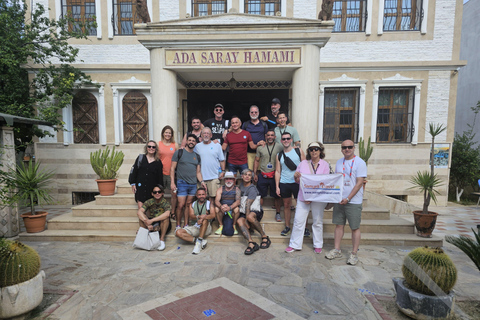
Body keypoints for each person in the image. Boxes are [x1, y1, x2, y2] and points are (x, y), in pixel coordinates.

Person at [325, 139, 367, 265]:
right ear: (341, 149)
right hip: (339, 200)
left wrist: (348, 198)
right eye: (344, 147)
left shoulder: (360, 163)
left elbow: (360, 183)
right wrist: (333, 198)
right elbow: (337, 181)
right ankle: (337, 249)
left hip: (353, 201)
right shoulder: (339, 162)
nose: (347, 149)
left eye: (349, 147)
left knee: (355, 227)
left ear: (354, 148)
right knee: (338, 225)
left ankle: (354, 253)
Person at [286, 142, 330, 253]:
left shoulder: (325, 164)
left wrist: (313, 195)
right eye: (311, 149)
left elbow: (325, 181)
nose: (314, 151)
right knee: (298, 220)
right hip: (303, 197)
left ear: (320, 151)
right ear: (308, 151)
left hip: (318, 198)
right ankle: (294, 244)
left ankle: (318, 244)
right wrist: (296, 176)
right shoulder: (303, 164)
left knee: (317, 221)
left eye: (316, 149)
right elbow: (297, 180)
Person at [170, 134, 207, 232]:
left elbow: (198, 172)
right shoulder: (179, 153)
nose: (191, 142)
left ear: (195, 143)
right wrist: (172, 182)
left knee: (188, 204)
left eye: (193, 141)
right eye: (189, 140)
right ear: (186, 141)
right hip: (181, 182)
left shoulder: (197, 156)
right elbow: (172, 168)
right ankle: (178, 225)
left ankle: (186, 224)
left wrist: (202, 182)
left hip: (193, 184)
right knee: (181, 204)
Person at [275, 132, 305, 236]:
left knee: (300, 205)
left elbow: (305, 166)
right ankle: (287, 226)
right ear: (281, 141)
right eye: (284, 139)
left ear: (291, 140)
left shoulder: (298, 151)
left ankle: (303, 227)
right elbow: (278, 171)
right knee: (286, 205)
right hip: (284, 182)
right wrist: (277, 186)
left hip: (297, 182)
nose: (286, 140)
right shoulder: (279, 155)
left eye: (288, 138)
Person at [236, 169, 271, 255]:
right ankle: (251, 242)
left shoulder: (252, 188)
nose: (247, 176)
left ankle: (264, 236)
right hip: (244, 210)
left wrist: (247, 221)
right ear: (242, 176)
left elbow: (248, 204)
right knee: (239, 221)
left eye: (249, 175)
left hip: (254, 210)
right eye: (245, 174)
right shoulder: (240, 186)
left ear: (251, 177)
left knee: (249, 217)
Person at [253, 130, 283, 221]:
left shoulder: (280, 147)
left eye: (272, 135)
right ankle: (259, 212)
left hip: (275, 174)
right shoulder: (260, 147)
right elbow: (257, 160)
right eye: (268, 135)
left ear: (275, 137)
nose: (270, 137)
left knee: (277, 195)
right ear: (265, 136)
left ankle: (278, 213)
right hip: (263, 174)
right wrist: (254, 173)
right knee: (260, 195)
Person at [175, 187, 215, 254]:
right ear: (196, 195)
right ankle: (198, 241)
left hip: (206, 227)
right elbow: (191, 216)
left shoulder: (209, 203)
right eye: (199, 195)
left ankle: (198, 244)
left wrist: (203, 218)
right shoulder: (192, 204)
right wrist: (198, 217)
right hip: (195, 226)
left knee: (205, 221)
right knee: (178, 232)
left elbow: (213, 215)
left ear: (205, 195)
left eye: (203, 194)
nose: (201, 196)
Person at [129, 140, 163, 209]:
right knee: (141, 210)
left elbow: (160, 177)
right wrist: (133, 183)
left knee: (150, 211)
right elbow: (134, 171)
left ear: (156, 149)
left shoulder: (158, 162)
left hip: (151, 189)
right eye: (149, 146)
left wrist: (160, 190)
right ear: (146, 148)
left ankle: (148, 220)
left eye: (153, 147)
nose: (151, 148)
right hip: (140, 187)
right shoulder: (140, 158)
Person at [194, 127, 225, 202]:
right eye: (204, 133)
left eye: (208, 133)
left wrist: (223, 171)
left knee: (213, 199)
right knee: (202, 199)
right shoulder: (197, 147)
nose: (206, 135)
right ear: (201, 135)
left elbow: (222, 160)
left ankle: (213, 213)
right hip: (202, 178)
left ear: (211, 135)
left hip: (214, 177)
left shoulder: (217, 146)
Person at [136, 185, 171, 251]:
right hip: (151, 222)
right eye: (155, 192)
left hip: (161, 223)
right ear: (152, 194)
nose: (157, 193)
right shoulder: (149, 201)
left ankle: (162, 240)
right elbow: (139, 212)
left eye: (159, 192)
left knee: (166, 218)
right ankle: (145, 234)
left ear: (162, 193)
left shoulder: (165, 202)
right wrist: (147, 223)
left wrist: (152, 220)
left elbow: (167, 214)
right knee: (141, 217)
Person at [158, 125, 178, 217]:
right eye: (166, 132)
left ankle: (173, 212)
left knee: (174, 194)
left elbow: (179, 158)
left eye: (169, 133)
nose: (168, 134)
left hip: (172, 173)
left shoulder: (175, 145)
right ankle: (161, 211)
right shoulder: (158, 144)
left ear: (172, 135)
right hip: (160, 173)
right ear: (163, 133)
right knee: (159, 193)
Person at [242, 105, 268, 170]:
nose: (254, 114)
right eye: (252, 112)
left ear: (258, 113)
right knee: (249, 171)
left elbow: (267, 137)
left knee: (260, 171)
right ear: (249, 113)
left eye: (255, 112)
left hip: (261, 152)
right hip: (249, 153)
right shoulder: (245, 124)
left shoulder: (264, 124)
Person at [214, 171, 240, 235]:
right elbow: (216, 200)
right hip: (223, 208)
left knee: (237, 209)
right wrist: (221, 206)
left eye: (230, 179)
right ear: (224, 180)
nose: (229, 180)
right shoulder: (220, 189)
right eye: (227, 179)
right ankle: (221, 226)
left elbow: (238, 201)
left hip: (232, 208)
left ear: (234, 180)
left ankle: (234, 225)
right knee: (216, 209)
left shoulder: (237, 189)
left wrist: (230, 207)